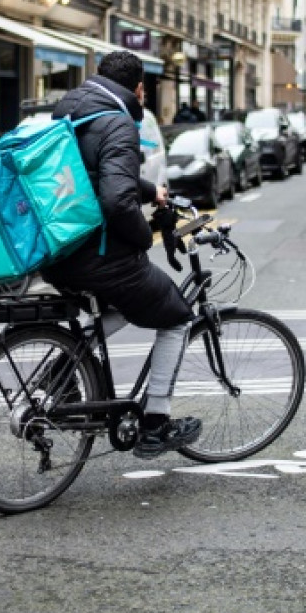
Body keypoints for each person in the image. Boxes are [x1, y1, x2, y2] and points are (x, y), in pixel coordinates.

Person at [42, 51, 201, 459]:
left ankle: (60, 370)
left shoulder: (70, 109)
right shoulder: (118, 122)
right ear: (138, 89)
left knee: (132, 303)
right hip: (98, 256)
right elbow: (115, 201)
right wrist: (143, 239)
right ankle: (155, 424)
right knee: (177, 315)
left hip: (59, 249)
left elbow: (92, 172)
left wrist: (152, 191)